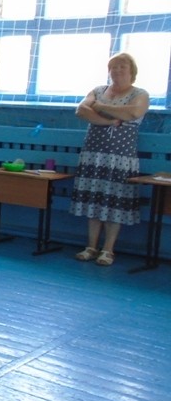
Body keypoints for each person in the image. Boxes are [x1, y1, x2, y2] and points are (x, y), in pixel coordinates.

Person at [69, 53, 149, 267]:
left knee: (114, 203)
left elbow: (133, 112)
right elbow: (81, 110)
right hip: (94, 156)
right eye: (113, 67)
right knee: (94, 200)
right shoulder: (98, 90)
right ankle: (91, 246)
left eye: (122, 67)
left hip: (120, 158)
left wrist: (101, 107)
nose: (117, 71)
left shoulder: (140, 94)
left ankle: (108, 249)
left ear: (131, 71)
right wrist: (109, 121)